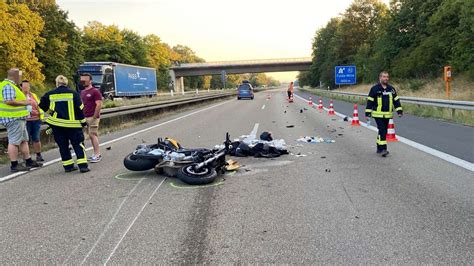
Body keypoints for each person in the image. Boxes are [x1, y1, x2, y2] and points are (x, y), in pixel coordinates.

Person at [39, 75, 90, 173]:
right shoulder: (74, 94)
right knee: (78, 144)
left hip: (57, 125)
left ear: (57, 83)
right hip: (72, 125)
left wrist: (52, 113)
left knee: (63, 146)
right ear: (66, 83)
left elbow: (41, 104)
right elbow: (80, 109)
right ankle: (83, 166)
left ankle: (68, 166)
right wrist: (83, 122)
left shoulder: (50, 94)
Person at [0, 69, 43, 172]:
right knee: (14, 142)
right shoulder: (8, 86)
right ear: (14, 76)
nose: (20, 78)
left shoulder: (12, 86)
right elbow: (9, 101)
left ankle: (28, 161)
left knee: (24, 140)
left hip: (20, 118)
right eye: (19, 76)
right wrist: (25, 103)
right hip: (13, 118)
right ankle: (14, 165)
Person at [365, 71, 403, 157]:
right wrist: (368, 113)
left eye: (387, 77)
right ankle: (383, 149)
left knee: (383, 131)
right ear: (380, 78)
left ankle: (379, 148)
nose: (386, 78)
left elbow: (396, 100)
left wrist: (399, 111)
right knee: (382, 130)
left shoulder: (391, 89)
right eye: (384, 77)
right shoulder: (375, 89)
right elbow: (370, 101)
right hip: (378, 115)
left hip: (388, 115)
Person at [79, 73, 103, 163]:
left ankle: (97, 154)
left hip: (92, 117)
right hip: (84, 117)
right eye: (82, 79)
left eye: (85, 79)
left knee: (93, 135)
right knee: (89, 135)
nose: (83, 81)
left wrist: (95, 116)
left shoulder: (95, 91)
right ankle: (95, 153)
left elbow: (99, 104)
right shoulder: (82, 92)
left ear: (90, 80)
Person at [20, 80, 45, 162]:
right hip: (25, 120)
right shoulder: (19, 96)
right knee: (25, 140)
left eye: (28, 86)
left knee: (36, 138)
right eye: (25, 86)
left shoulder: (33, 95)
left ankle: (38, 155)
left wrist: (40, 115)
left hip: (36, 119)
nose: (27, 88)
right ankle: (26, 157)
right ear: (21, 87)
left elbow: (39, 105)